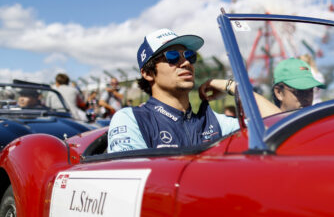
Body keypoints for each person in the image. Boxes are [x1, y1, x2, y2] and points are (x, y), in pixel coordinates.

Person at [107, 28, 279, 153]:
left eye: (189, 56)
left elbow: (278, 124)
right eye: (172, 57)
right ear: (148, 73)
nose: (186, 62)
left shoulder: (213, 123)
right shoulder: (131, 119)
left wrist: (230, 86)